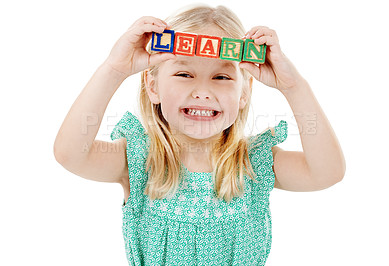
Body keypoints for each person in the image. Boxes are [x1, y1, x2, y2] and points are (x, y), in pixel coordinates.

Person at [53, 3, 346, 265]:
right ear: (153, 87)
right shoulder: (139, 160)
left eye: (221, 77)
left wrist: (293, 86)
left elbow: (327, 172)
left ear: (244, 92)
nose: (203, 92)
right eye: (184, 74)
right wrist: (114, 69)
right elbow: (70, 153)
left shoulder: (254, 164)